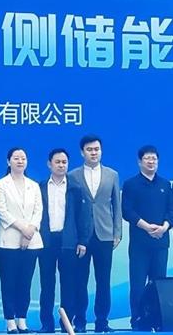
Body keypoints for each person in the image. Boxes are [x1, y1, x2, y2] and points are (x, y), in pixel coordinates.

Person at [68, 135, 121, 333]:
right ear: (82, 152)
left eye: (96, 149)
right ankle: (80, 321)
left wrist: (117, 232)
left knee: (103, 281)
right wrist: (74, 236)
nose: (93, 153)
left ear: (101, 151)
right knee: (80, 281)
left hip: (104, 235)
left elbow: (116, 205)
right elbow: (71, 209)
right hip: (81, 237)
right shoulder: (73, 175)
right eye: (89, 149)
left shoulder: (112, 174)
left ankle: (102, 321)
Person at [37, 148, 92, 333]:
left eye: (64, 162)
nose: (61, 165)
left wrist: (83, 241)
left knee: (68, 285)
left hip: (69, 241)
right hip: (46, 241)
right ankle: (46, 324)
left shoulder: (76, 188)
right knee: (47, 285)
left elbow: (84, 217)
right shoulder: (40, 187)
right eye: (57, 162)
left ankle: (66, 323)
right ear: (49, 164)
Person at [121, 145, 173, 330]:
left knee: (158, 284)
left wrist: (164, 227)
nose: (151, 162)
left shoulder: (165, 185)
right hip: (139, 245)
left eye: (154, 159)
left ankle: (157, 321)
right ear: (139, 162)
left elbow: (171, 210)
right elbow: (127, 211)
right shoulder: (130, 184)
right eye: (147, 158)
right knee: (137, 285)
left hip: (160, 242)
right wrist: (146, 226)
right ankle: (137, 321)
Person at [0, 147, 43, 334]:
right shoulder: (0, 185)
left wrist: (29, 231)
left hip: (31, 241)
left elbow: (38, 211)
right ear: (9, 161)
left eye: (23, 158)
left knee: (25, 282)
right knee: (9, 283)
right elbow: (2, 211)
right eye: (16, 158)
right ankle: (10, 321)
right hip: (8, 241)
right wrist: (23, 229)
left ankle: (22, 319)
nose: (20, 161)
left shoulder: (34, 185)